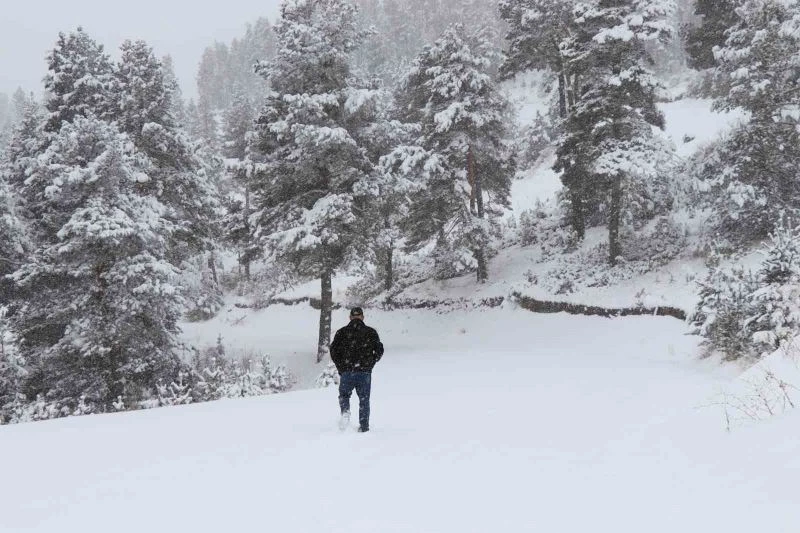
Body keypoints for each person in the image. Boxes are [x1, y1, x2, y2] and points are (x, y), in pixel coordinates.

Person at [330, 307, 384, 432]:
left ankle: (345, 412)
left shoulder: (341, 332)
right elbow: (379, 350)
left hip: (347, 371)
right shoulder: (370, 332)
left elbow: (333, 351)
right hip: (364, 372)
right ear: (362, 317)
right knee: (364, 399)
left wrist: (341, 367)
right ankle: (364, 426)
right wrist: (370, 363)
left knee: (344, 395)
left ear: (350, 317)